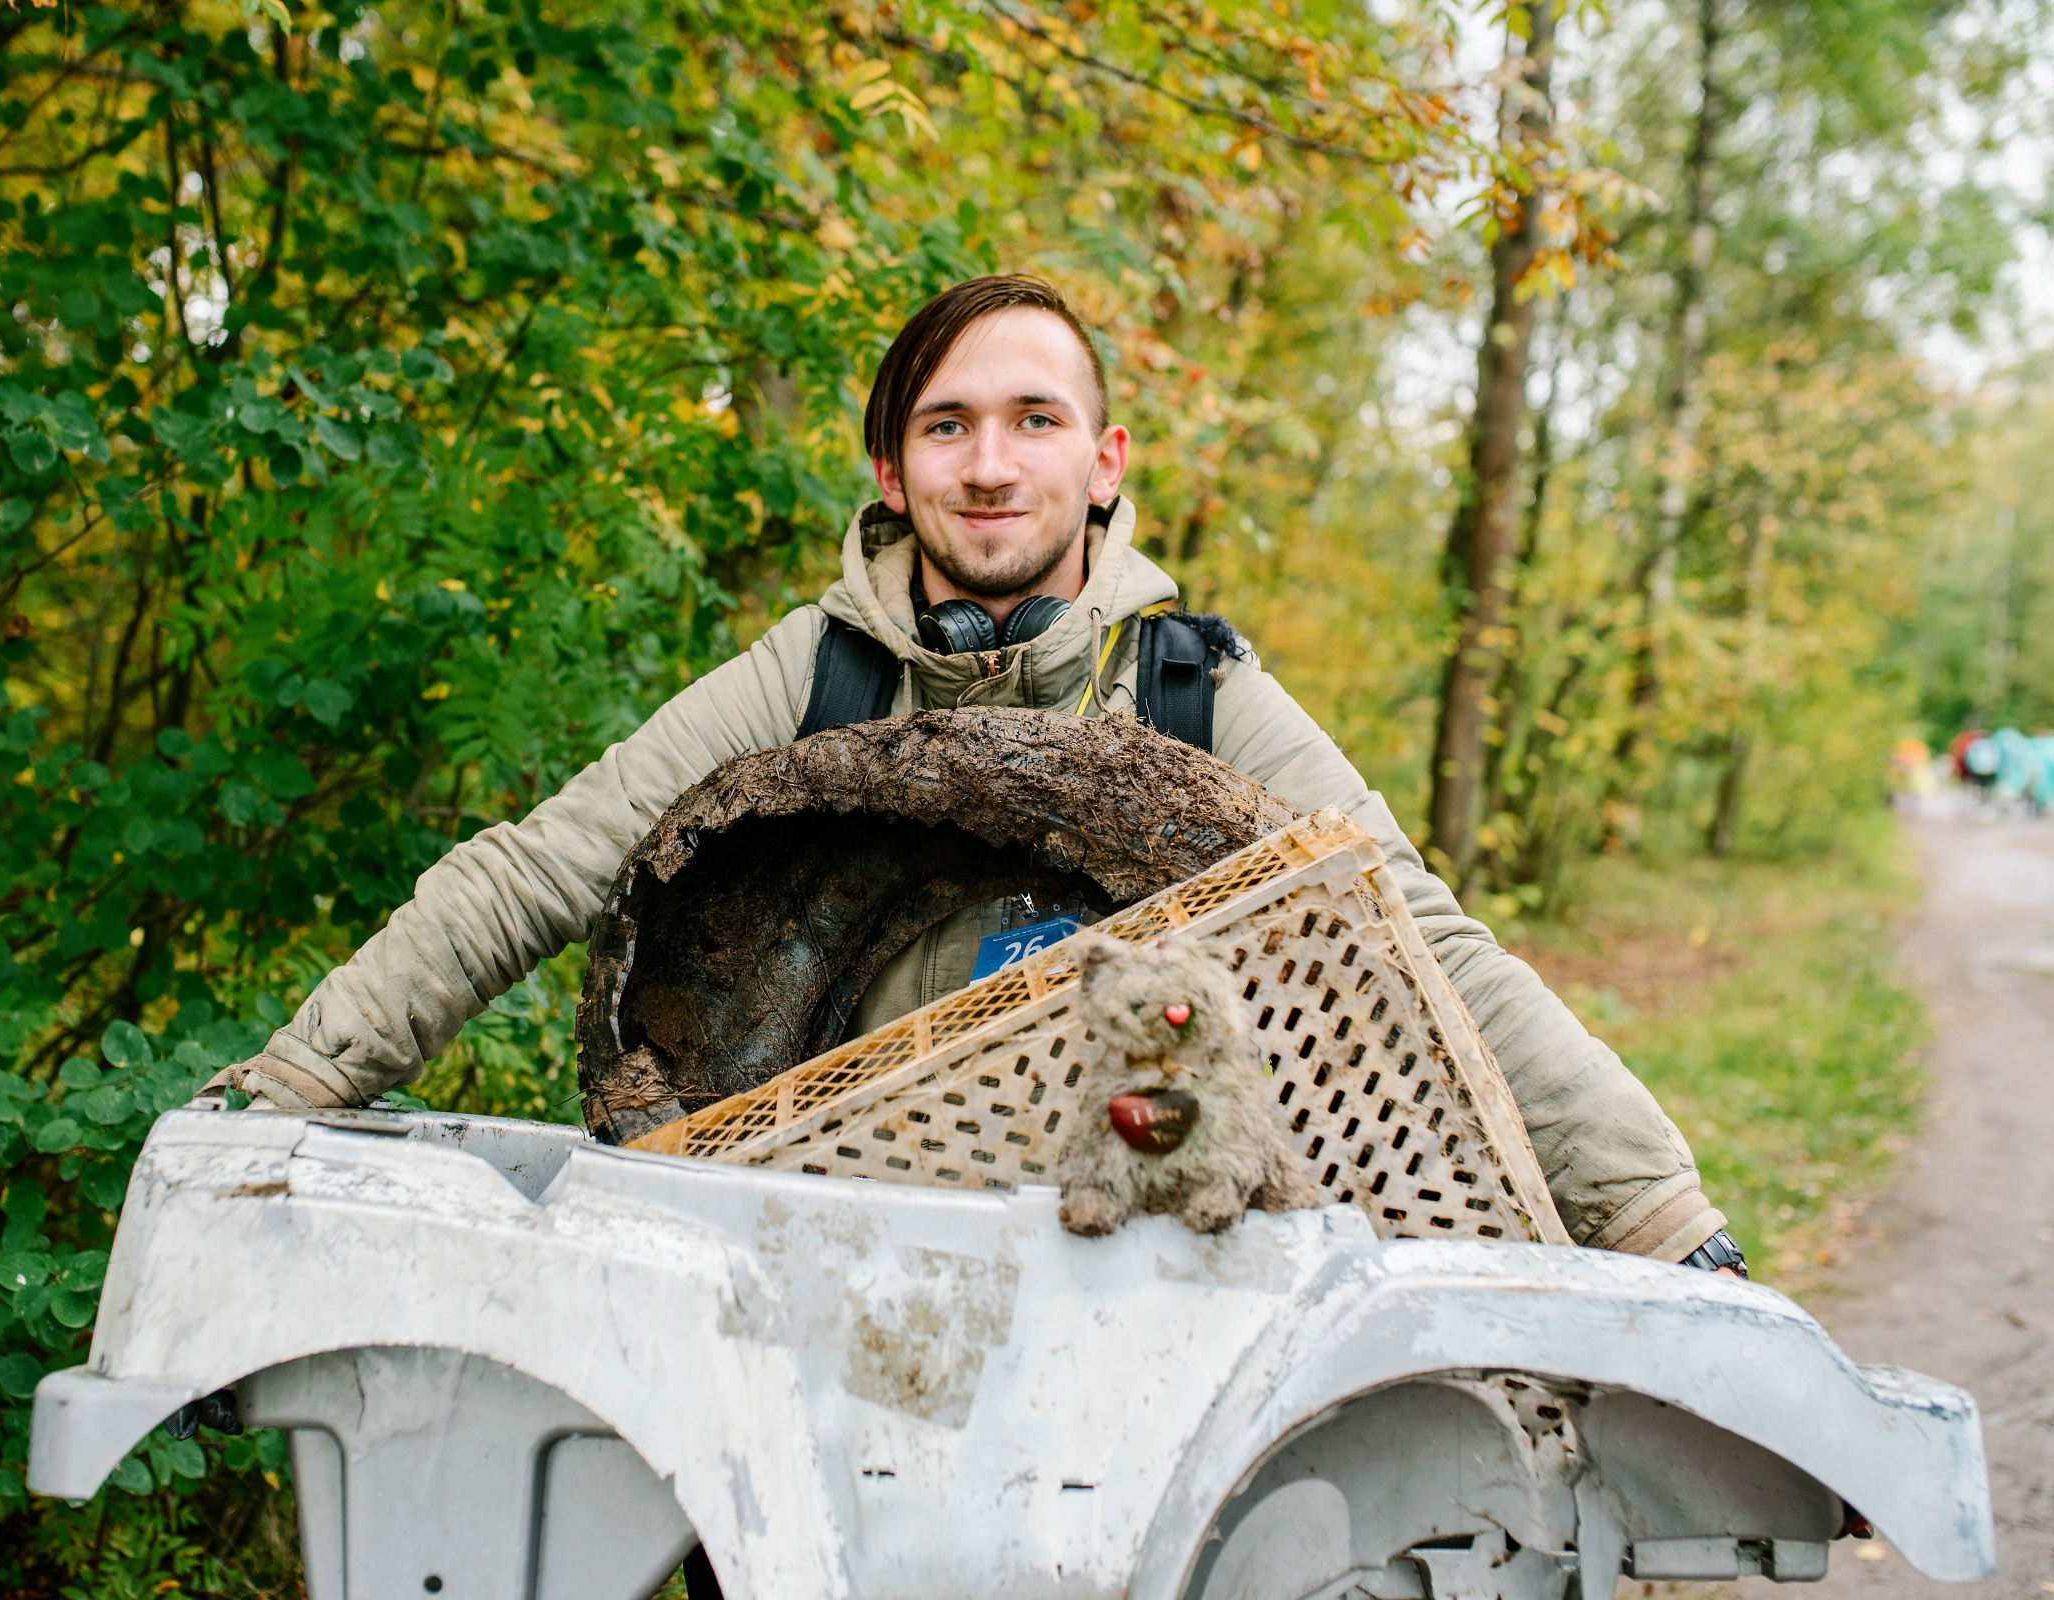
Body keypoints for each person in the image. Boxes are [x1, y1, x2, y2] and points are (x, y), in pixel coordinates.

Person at [200, 275, 1742, 1273]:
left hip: (1143, 1260)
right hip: (836, 1246)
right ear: (891, 471)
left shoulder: (1197, 695)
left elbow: (1423, 942)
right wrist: (287, 1091)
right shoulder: (811, 679)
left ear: (1105, 459)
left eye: (1031, 422)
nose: (988, 464)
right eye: (946, 427)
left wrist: (1663, 1221)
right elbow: (537, 868)